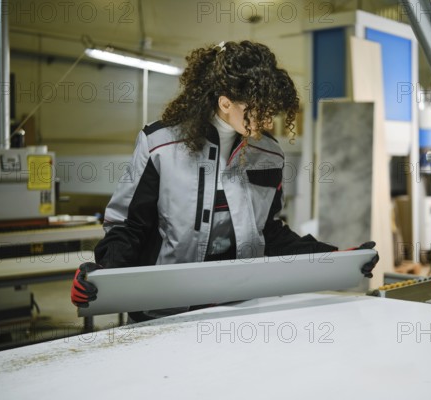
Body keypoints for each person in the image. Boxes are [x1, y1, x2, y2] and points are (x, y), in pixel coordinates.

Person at [71, 40, 378, 322]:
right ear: (225, 102)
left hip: (238, 307)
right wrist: (103, 279)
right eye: (255, 109)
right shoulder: (160, 144)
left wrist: (333, 258)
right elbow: (128, 227)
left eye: (268, 109)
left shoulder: (268, 153)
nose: (266, 119)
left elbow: (269, 233)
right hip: (163, 309)